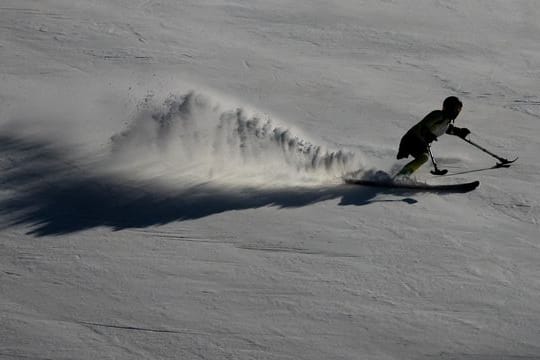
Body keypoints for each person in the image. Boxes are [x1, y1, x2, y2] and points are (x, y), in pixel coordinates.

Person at [396, 96, 470, 176]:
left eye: (459, 109)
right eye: (456, 108)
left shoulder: (446, 121)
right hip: (411, 139)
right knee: (423, 157)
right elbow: (424, 125)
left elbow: (448, 130)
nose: (457, 111)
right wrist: (427, 133)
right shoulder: (438, 115)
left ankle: (401, 175)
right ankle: (402, 175)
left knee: (423, 157)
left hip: (418, 141)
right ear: (450, 107)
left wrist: (460, 132)